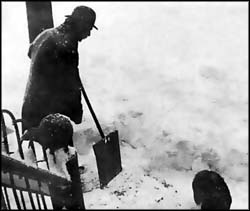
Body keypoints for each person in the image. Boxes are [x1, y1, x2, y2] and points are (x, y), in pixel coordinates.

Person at [21, 5, 98, 132]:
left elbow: (31, 52)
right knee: (56, 151)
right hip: (47, 119)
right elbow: (71, 88)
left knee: (34, 152)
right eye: (88, 29)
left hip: (30, 109)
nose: (88, 34)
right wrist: (76, 118)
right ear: (80, 24)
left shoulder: (45, 34)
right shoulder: (66, 45)